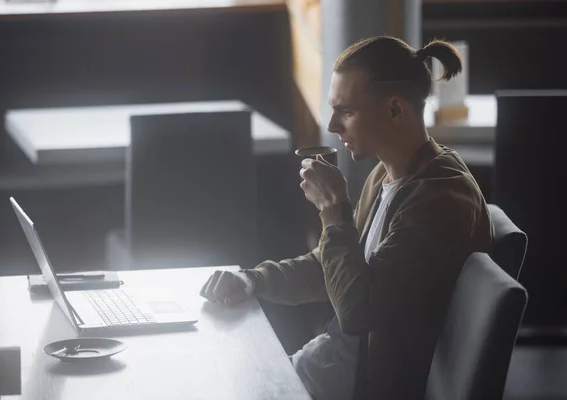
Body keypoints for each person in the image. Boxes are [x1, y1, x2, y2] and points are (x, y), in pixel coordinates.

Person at [199, 36, 493, 400]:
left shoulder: (440, 198)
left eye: (346, 111)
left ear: (396, 110)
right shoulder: (388, 175)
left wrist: (333, 209)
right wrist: (254, 280)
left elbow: (357, 310)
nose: (332, 125)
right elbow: (337, 269)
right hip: (324, 369)